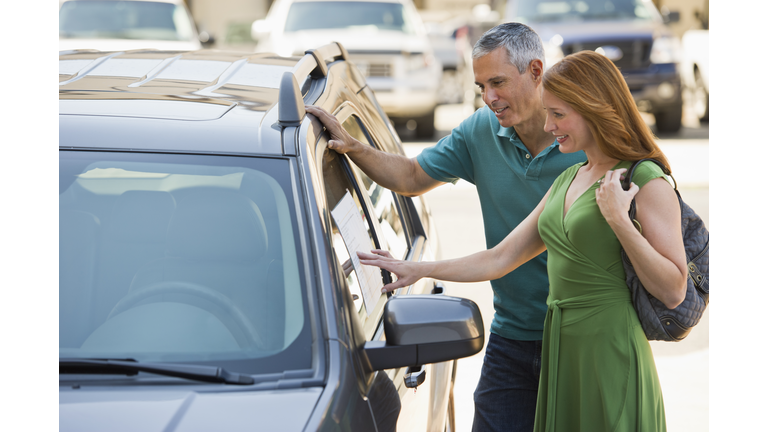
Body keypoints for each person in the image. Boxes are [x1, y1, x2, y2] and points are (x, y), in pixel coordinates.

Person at [357, 49, 687, 431]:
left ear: (594, 109)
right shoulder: (570, 178)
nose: (548, 126)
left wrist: (619, 220)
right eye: (548, 113)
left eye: (558, 114)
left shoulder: (644, 179)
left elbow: (674, 289)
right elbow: (501, 257)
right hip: (562, 350)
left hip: (609, 353)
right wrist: (416, 269)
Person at [306, 22, 586, 432]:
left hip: (580, 338)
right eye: (480, 87)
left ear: (537, 70)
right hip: (512, 338)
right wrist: (355, 148)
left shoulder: (582, 138)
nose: (489, 98)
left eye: (498, 83)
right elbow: (413, 177)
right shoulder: (481, 131)